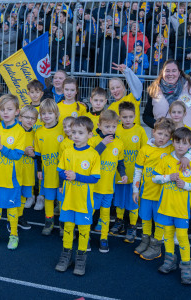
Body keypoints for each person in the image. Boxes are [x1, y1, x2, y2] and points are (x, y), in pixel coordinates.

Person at [143, 59, 191, 239]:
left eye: (174, 70)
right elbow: (146, 116)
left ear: (179, 72)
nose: (171, 74)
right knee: (168, 180)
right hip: (167, 145)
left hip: (190, 145)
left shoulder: (189, 86)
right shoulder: (154, 90)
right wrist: (159, 127)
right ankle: (164, 219)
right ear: (162, 72)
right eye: (167, 71)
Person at [153, 127, 191, 285]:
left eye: (184, 143)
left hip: (181, 210)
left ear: (190, 145)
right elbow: (154, 178)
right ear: (173, 142)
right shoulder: (166, 160)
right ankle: (169, 260)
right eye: (177, 142)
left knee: (182, 238)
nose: (180, 146)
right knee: (167, 236)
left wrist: (187, 186)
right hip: (166, 208)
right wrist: (168, 177)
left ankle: (186, 265)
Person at [55, 116, 100, 275]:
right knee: (67, 227)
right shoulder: (67, 151)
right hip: (68, 198)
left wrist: (77, 176)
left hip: (84, 201)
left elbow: (95, 178)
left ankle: (81, 258)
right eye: (73, 132)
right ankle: (66, 255)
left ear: (90, 135)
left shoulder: (93, 154)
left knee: (83, 229)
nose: (75, 135)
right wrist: (64, 175)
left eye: (80, 132)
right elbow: (59, 170)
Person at [0, 94, 25, 250]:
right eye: (2, 109)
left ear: (17, 111)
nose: (5, 112)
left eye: (9, 109)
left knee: (11, 208)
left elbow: (16, 155)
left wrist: (1, 147)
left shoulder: (20, 131)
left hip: (12, 179)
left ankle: (14, 234)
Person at [132, 117, 175, 260]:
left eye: (166, 135)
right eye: (160, 133)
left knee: (159, 220)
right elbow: (138, 171)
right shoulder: (145, 149)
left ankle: (156, 246)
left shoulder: (171, 149)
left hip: (162, 194)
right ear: (153, 131)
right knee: (145, 218)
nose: (162, 138)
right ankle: (145, 240)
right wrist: (135, 190)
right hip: (146, 192)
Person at [88, 110, 126, 252]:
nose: (110, 130)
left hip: (109, 188)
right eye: (107, 127)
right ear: (99, 125)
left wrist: (122, 174)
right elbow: (91, 156)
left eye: (113, 127)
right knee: (90, 212)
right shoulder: (94, 141)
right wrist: (103, 143)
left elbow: (120, 162)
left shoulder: (119, 143)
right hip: (94, 187)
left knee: (105, 215)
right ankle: (85, 236)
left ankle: (104, 238)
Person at [112, 102, 148, 243]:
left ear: (135, 116)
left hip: (134, 175)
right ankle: (119, 221)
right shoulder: (116, 131)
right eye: (124, 117)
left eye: (130, 116)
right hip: (119, 174)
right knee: (120, 200)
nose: (128, 119)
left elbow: (145, 151)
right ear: (120, 117)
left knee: (133, 201)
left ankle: (132, 225)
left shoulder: (139, 131)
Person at [34, 98, 64, 235]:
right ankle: (49, 222)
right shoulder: (39, 132)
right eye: (44, 113)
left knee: (62, 200)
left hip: (62, 174)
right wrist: (39, 170)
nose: (47, 116)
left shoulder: (63, 129)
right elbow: (38, 155)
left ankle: (64, 224)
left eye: (50, 113)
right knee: (49, 199)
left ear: (56, 114)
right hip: (47, 173)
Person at [15, 105, 38, 230]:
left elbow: (37, 154)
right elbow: (8, 150)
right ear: (20, 118)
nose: (30, 120)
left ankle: (20, 216)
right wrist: (23, 151)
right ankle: (12, 218)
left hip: (28, 169)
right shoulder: (15, 132)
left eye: (33, 118)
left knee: (24, 194)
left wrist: (34, 154)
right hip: (16, 169)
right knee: (15, 194)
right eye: (27, 117)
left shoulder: (35, 134)